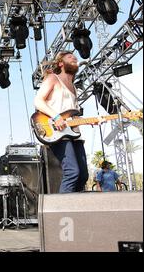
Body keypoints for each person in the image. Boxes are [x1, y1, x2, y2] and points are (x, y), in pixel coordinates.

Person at [34, 51, 103, 193]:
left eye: (75, 58)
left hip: (74, 134)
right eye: (70, 57)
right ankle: (62, 211)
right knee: (72, 172)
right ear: (61, 63)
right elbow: (38, 101)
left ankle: (75, 208)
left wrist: (88, 121)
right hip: (56, 131)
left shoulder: (74, 88)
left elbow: (73, 117)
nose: (74, 58)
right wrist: (56, 117)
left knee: (83, 175)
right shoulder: (53, 78)